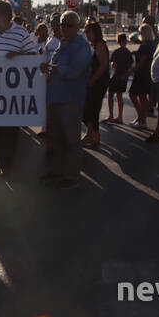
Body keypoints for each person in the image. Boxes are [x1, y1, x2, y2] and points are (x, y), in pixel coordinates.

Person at [0, 0, 37, 174]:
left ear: (6, 15)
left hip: (13, 93)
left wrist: (18, 55)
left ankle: (7, 164)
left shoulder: (20, 33)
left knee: (9, 131)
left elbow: (34, 55)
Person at [40, 11, 93, 189]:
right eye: (62, 24)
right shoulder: (61, 44)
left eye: (68, 25)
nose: (64, 28)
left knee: (71, 139)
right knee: (55, 138)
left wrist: (55, 69)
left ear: (77, 28)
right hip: (55, 97)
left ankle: (71, 175)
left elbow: (76, 71)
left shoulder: (82, 46)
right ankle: (57, 170)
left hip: (70, 99)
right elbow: (54, 67)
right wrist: (47, 68)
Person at [82, 21, 109, 147]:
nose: (86, 34)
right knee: (88, 109)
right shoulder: (91, 45)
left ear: (95, 32)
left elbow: (103, 65)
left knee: (93, 109)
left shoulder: (100, 45)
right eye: (85, 32)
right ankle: (89, 134)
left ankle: (95, 137)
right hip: (91, 81)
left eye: (88, 32)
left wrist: (93, 79)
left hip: (98, 82)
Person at [126, 23, 154, 128]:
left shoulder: (145, 46)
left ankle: (142, 119)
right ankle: (141, 117)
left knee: (137, 95)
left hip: (142, 74)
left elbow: (142, 62)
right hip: (144, 73)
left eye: (140, 32)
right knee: (137, 95)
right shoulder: (148, 45)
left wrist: (131, 71)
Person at [105, 33, 133, 124]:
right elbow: (131, 64)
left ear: (118, 41)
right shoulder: (128, 52)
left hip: (116, 75)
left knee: (110, 95)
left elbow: (113, 65)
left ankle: (111, 115)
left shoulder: (116, 52)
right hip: (123, 76)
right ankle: (120, 116)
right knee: (119, 96)